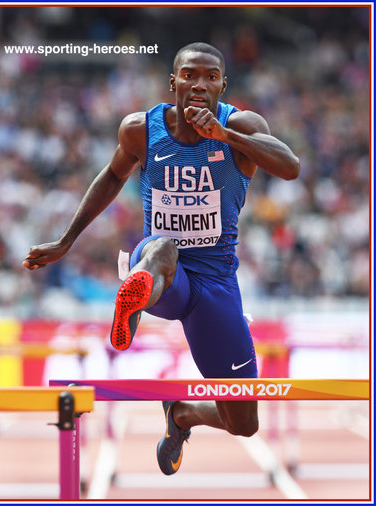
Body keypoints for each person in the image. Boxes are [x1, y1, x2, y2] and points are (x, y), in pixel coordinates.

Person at [23, 42, 300, 475]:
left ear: (223, 86)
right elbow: (113, 175)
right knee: (162, 247)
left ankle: (182, 414)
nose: (199, 84)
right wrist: (66, 240)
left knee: (243, 423)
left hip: (215, 284)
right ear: (173, 81)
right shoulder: (140, 130)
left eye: (211, 77)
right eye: (190, 74)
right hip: (163, 271)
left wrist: (224, 136)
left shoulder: (241, 125)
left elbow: (291, 167)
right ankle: (132, 301)